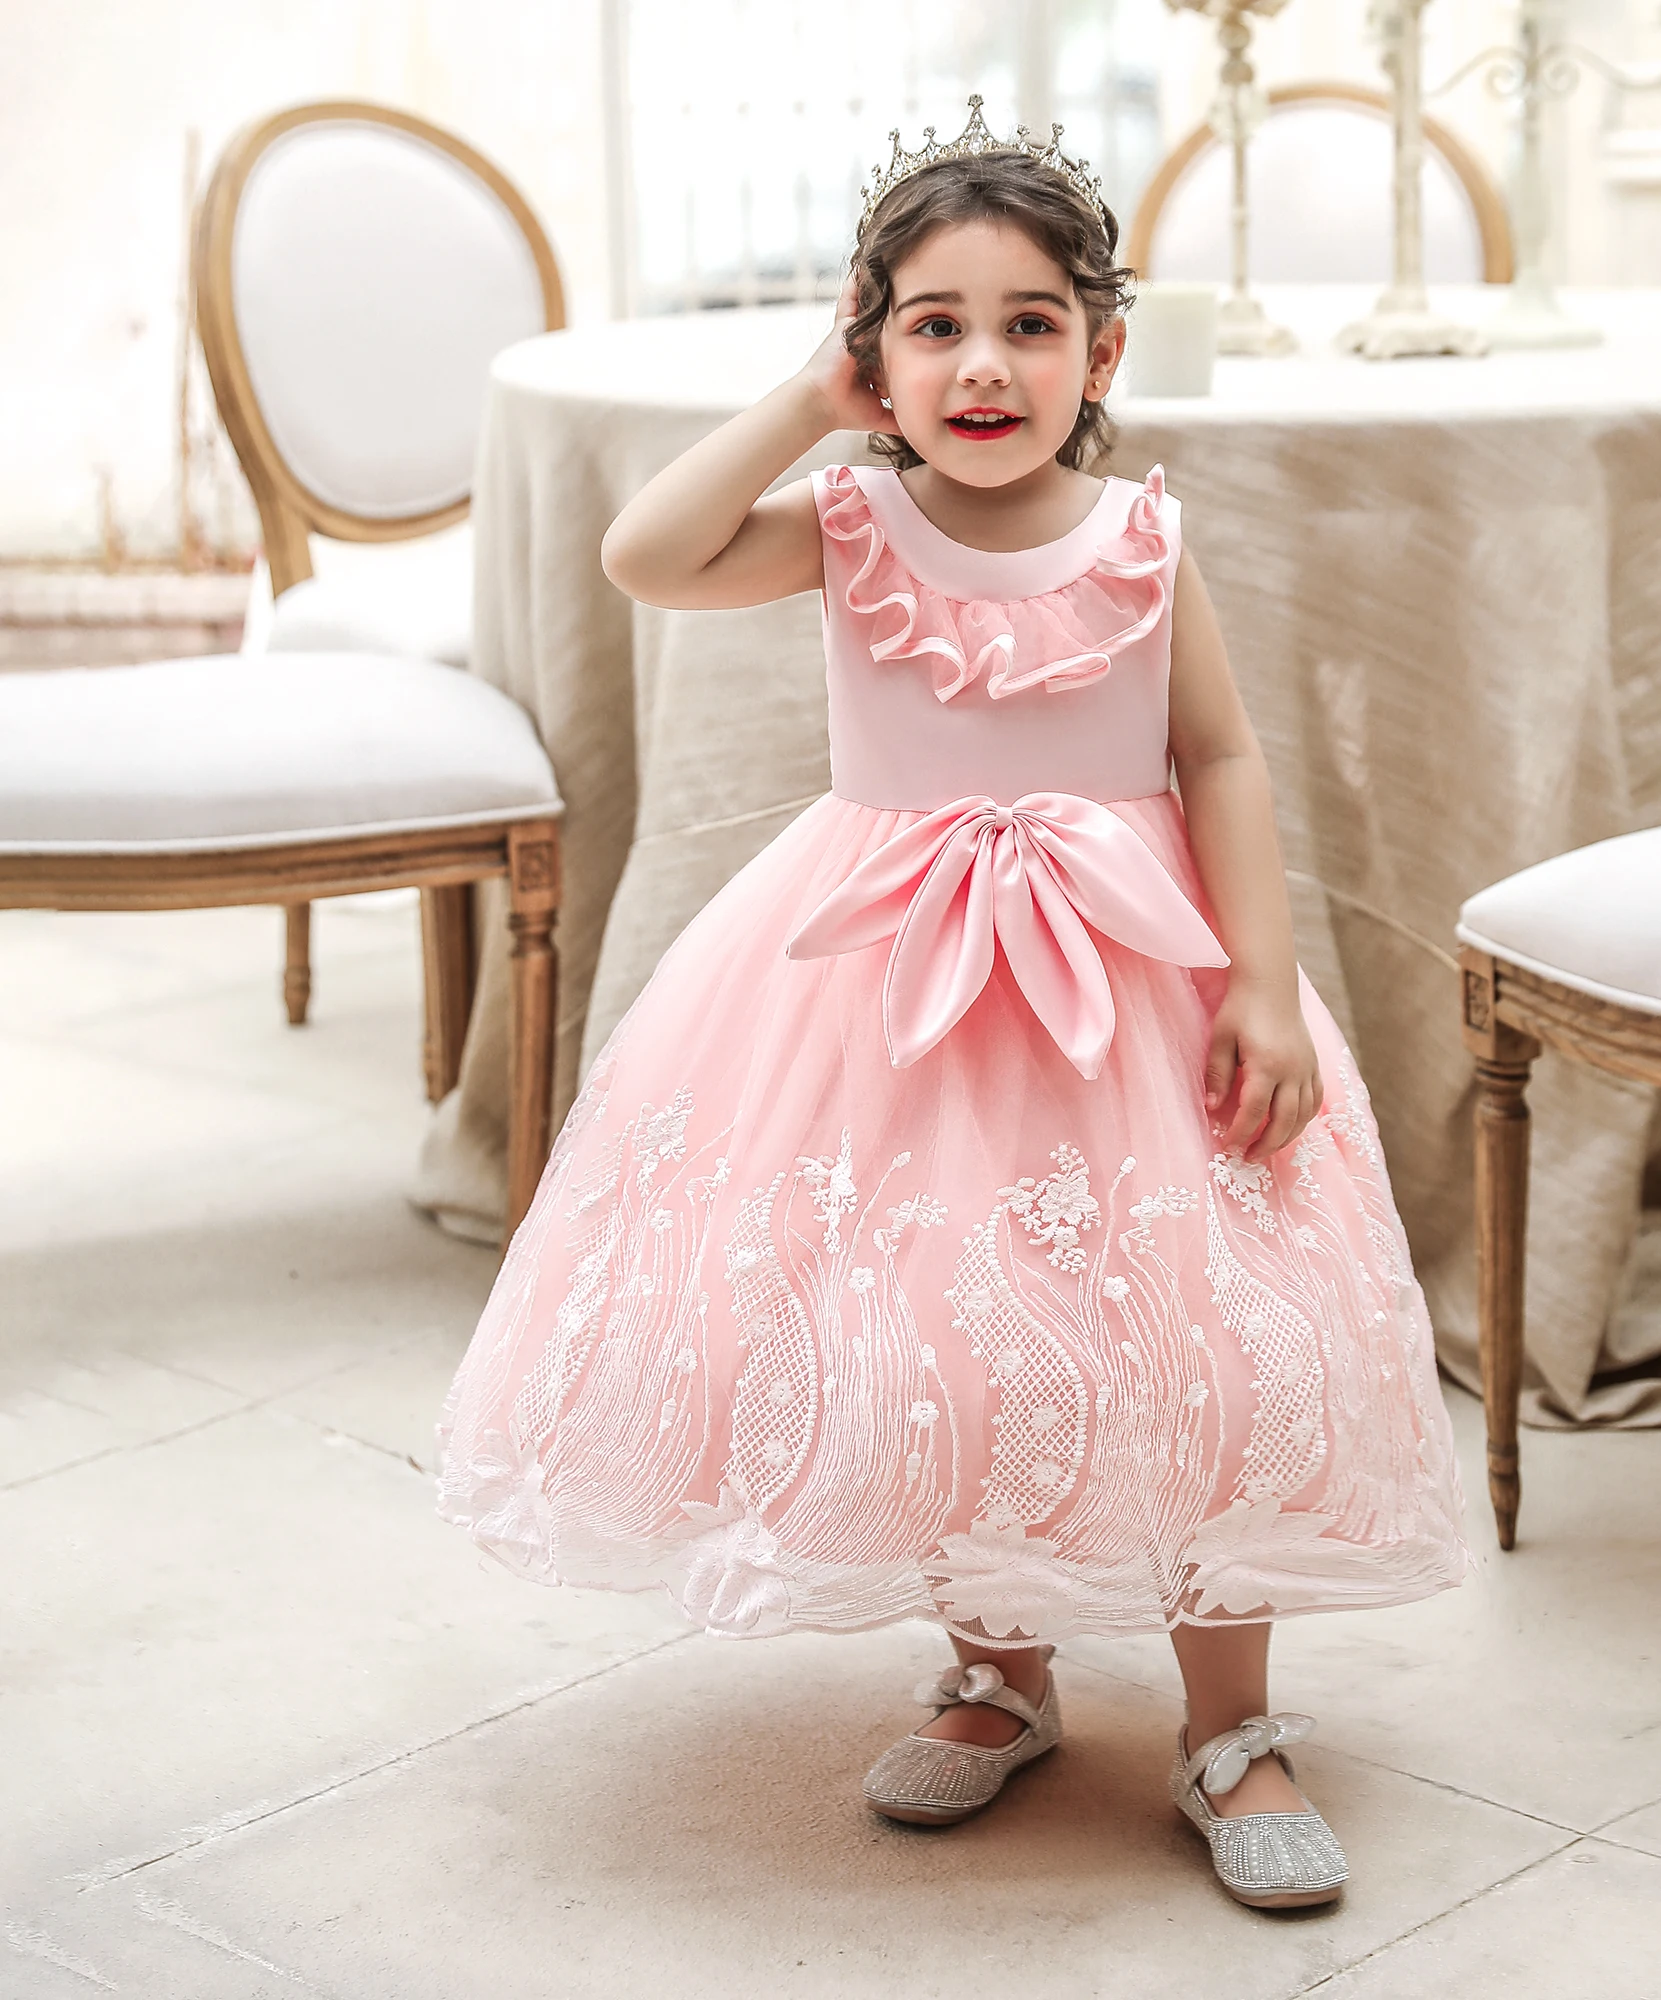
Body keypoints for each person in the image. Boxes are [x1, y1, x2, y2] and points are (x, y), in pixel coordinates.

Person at [436, 99, 1467, 1913]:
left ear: (1100, 354)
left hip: (1132, 983)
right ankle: (1000, 1672)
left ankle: (1232, 1724)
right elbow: (647, 555)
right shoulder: (851, 522)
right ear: (876, 354)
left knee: (1203, 1338)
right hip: (895, 992)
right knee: (940, 1327)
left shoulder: (1141, 533)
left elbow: (1220, 756)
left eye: (1029, 323)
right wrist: (800, 404)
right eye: (934, 325)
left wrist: (1260, 984)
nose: (983, 364)